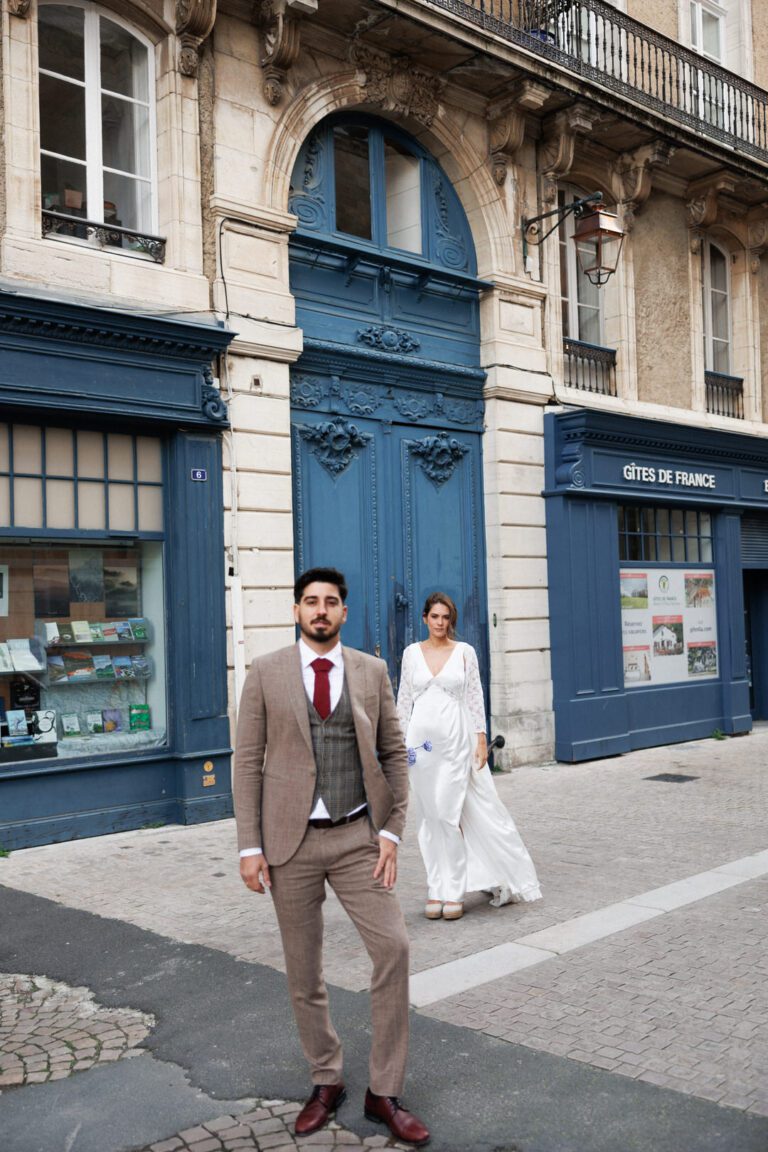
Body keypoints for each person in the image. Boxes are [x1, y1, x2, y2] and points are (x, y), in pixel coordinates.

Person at [234, 567, 430, 1147]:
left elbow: (394, 753)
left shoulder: (370, 671)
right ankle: (326, 1079)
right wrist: (250, 846)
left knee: (393, 948)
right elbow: (247, 762)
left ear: (344, 613)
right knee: (304, 970)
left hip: (355, 836)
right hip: (288, 842)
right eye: (311, 602)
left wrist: (392, 832)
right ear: (297, 610)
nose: (321, 610)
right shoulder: (265, 672)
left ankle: (383, 1090)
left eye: (331, 603)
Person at [396, 592, 541, 921]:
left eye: (446, 618)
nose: (440, 623)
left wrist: (480, 738)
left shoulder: (464, 653)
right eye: (434, 617)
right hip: (420, 747)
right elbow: (404, 699)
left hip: (454, 743)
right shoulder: (410, 654)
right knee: (428, 820)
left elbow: (475, 695)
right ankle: (436, 888)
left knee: (448, 816)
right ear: (424, 618)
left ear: (451, 620)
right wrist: (395, 742)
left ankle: (454, 889)